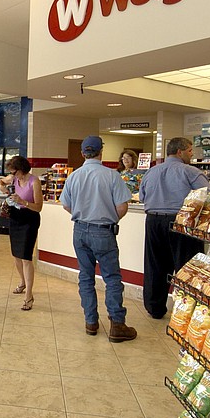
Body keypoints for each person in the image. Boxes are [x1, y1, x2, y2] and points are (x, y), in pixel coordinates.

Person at [59, 136, 137, 342]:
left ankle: (91, 322)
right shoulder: (111, 176)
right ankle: (117, 325)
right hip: (104, 231)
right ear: (101, 152)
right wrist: (108, 219)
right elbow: (122, 206)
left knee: (85, 277)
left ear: (83, 153)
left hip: (80, 231)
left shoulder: (74, 176)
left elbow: (66, 205)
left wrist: (83, 216)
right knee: (111, 278)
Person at [139, 137, 210, 319]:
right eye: (189, 151)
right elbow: (209, 197)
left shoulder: (151, 172)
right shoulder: (191, 172)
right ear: (180, 152)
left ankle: (154, 307)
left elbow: (142, 197)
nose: (192, 154)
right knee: (187, 266)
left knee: (155, 264)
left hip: (153, 221)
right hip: (182, 222)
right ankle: (186, 310)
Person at [0, 155, 43, 311]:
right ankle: (23, 282)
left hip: (29, 219)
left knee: (26, 257)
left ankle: (29, 295)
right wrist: (4, 189)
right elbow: (0, 181)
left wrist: (23, 202)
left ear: (21, 170)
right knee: (16, 254)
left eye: (14, 172)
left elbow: (38, 207)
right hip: (15, 218)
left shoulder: (34, 182)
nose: (12, 174)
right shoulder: (14, 178)